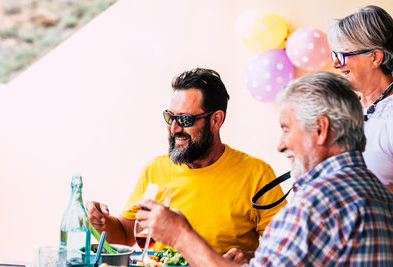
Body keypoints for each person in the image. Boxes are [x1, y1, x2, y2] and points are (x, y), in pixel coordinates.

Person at [136, 72, 393, 266]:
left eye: (286, 129)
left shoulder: (315, 205)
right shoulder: (379, 193)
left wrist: (181, 236)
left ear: (320, 129)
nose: (281, 146)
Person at [87, 68, 285, 256]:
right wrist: (102, 222)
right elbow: (124, 235)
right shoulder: (155, 170)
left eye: (185, 120)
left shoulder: (257, 174)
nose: (174, 128)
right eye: (170, 117)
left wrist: (250, 258)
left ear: (216, 120)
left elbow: (286, 251)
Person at [328, 5, 393, 192]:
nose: (335, 63)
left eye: (343, 54)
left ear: (375, 58)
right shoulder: (343, 109)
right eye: (334, 54)